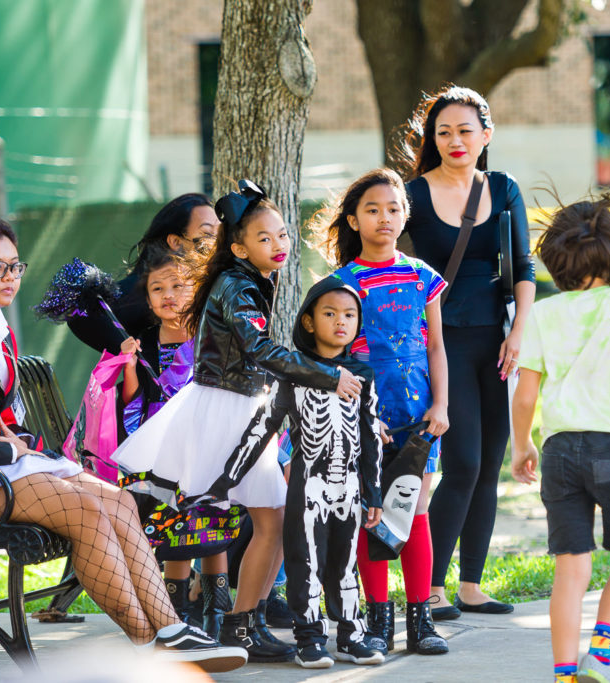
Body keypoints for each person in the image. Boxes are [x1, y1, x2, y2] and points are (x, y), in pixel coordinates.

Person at [0, 218, 246, 672]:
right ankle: (146, 645)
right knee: (85, 510)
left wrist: (18, 440)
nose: (9, 278)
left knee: (117, 502)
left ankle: (170, 629)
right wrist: (7, 450)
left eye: (15, 267)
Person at [111, 180, 364, 663]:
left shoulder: (247, 280)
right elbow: (261, 351)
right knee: (258, 518)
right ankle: (229, 624)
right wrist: (328, 376)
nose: (279, 246)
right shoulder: (237, 285)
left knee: (270, 518)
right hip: (224, 411)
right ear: (238, 246)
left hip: (239, 406)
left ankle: (240, 622)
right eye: (265, 238)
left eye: (283, 235)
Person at [509, 190, 610, 683]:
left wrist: (522, 447)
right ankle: (599, 656)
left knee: (571, 568)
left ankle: (563, 675)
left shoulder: (543, 314)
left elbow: (524, 396)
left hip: (559, 451)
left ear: (556, 260)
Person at [198, 277, 385, 669]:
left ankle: (351, 634)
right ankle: (309, 638)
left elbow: (370, 439)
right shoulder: (293, 374)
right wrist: (227, 480)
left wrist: (375, 494)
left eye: (349, 315)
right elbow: (262, 428)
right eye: (330, 314)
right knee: (306, 561)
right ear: (309, 322)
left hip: (350, 486)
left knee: (345, 563)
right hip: (309, 484)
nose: (340, 322)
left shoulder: (363, 376)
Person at [398, 85, 536, 617]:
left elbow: (521, 268)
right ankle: (430, 587)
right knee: (463, 462)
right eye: (443, 132)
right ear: (433, 140)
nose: (455, 140)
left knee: (490, 463)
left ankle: (471, 585)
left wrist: (518, 331)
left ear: (486, 134)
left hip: (496, 339)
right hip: (441, 339)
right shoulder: (411, 194)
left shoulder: (502, 188)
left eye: (465, 130)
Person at [312, 167, 450, 655]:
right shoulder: (342, 284)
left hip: (419, 420)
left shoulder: (423, 277)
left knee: (414, 515)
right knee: (370, 518)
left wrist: (442, 404)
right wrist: (364, 419)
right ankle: (376, 623)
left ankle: (422, 622)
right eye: (372, 209)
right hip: (363, 422)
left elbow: (435, 347)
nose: (384, 218)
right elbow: (335, 355)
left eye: (393, 208)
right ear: (353, 219)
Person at [114, 244, 232, 638]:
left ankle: (217, 611)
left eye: (178, 286)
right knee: (172, 532)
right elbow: (133, 405)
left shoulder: (210, 337)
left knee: (214, 529)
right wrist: (129, 367)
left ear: (196, 289)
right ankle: (178, 612)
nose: (169, 296)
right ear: (148, 299)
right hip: (162, 456)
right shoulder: (144, 342)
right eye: (157, 289)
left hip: (208, 449)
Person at [68, 193, 218, 353]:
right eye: (207, 234)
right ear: (175, 242)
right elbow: (80, 315)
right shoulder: (146, 294)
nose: (218, 242)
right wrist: (130, 355)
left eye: (221, 233)